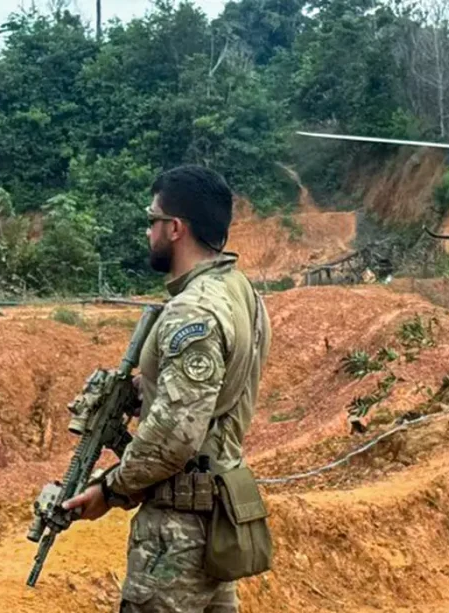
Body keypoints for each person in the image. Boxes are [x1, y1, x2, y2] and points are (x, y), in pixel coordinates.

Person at [63, 165, 271, 613]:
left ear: (175, 228)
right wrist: (141, 389)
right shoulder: (241, 294)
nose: (147, 230)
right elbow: (211, 394)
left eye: (151, 219)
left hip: (177, 534)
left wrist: (111, 489)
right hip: (217, 521)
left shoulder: (191, 311)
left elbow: (175, 436)